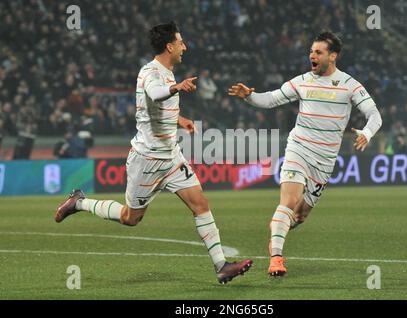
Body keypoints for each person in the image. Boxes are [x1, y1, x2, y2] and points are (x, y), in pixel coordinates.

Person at [54, 21, 252, 284]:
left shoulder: (168, 72)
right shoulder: (151, 72)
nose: (185, 46)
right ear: (169, 46)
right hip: (147, 160)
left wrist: (179, 119)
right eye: (181, 42)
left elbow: (155, 108)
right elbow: (155, 94)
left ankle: (221, 266)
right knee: (130, 218)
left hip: (171, 157)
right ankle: (79, 202)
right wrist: (176, 88)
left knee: (201, 204)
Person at [228, 31, 382, 276]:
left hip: (325, 160)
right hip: (299, 148)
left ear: (332, 56)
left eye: (318, 52)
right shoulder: (302, 81)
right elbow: (271, 100)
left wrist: (368, 132)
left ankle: (278, 230)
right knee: (288, 202)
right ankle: (276, 256)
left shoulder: (349, 85)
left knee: (299, 216)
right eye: (311, 51)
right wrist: (249, 96)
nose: (312, 55)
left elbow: (374, 115)